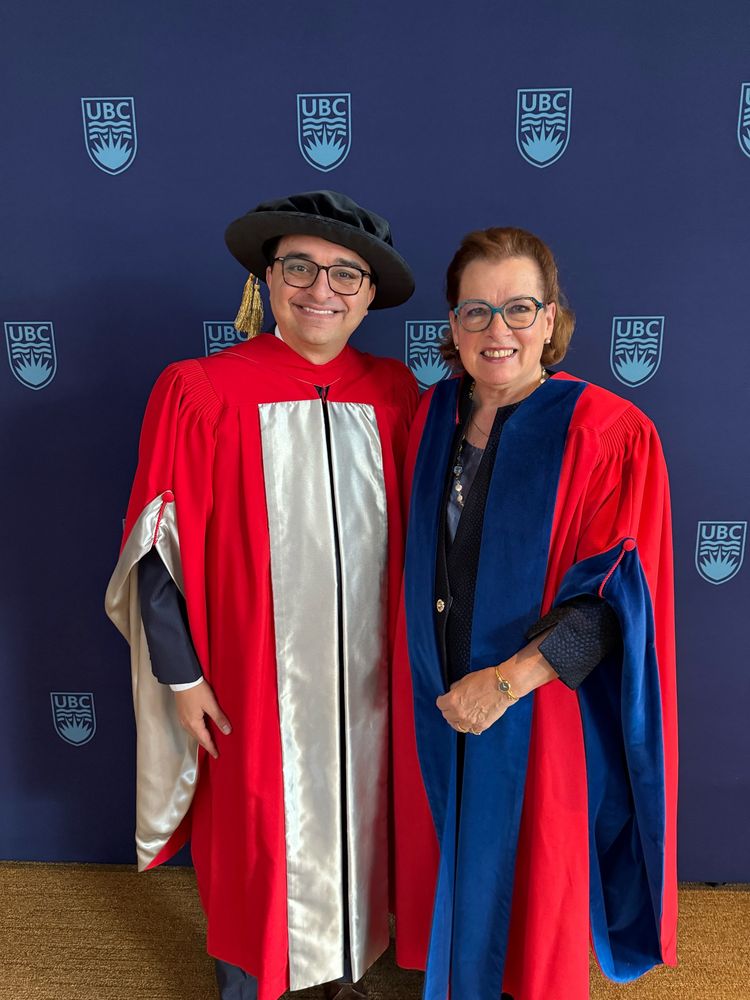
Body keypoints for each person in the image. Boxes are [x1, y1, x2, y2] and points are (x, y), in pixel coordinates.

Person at [105, 191, 419, 1000]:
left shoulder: (397, 393)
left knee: (364, 822)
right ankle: (252, 985)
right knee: (255, 839)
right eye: (299, 267)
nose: (321, 289)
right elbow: (157, 548)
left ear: (369, 295)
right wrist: (181, 675)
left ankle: (345, 973)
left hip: (372, 684)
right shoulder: (201, 389)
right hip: (250, 679)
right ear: (266, 280)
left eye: (345, 274)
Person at [392, 227, 678, 1000]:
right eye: (476, 311)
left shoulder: (606, 431)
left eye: (519, 308)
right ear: (453, 325)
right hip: (437, 698)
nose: (499, 330)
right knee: (454, 871)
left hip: (534, 705)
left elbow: (613, 608)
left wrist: (506, 684)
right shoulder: (432, 417)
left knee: (531, 897)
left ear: (550, 319)